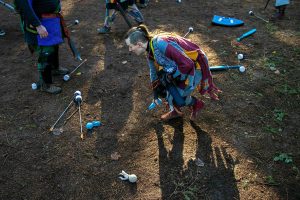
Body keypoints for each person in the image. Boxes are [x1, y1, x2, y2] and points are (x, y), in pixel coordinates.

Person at [125, 25, 220, 121]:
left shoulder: (160, 43)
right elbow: (153, 72)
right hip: (180, 68)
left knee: (178, 98)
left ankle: (196, 104)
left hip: (195, 65)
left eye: (130, 46)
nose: (130, 50)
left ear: (139, 44)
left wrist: (171, 76)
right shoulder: (150, 51)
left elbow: (187, 64)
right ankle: (175, 110)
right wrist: (155, 91)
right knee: (165, 90)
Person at [14, 0, 70, 94]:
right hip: (40, 23)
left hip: (51, 21)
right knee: (46, 52)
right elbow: (24, 6)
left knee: (54, 46)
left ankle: (54, 68)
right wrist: (38, 25)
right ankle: (46, 84)